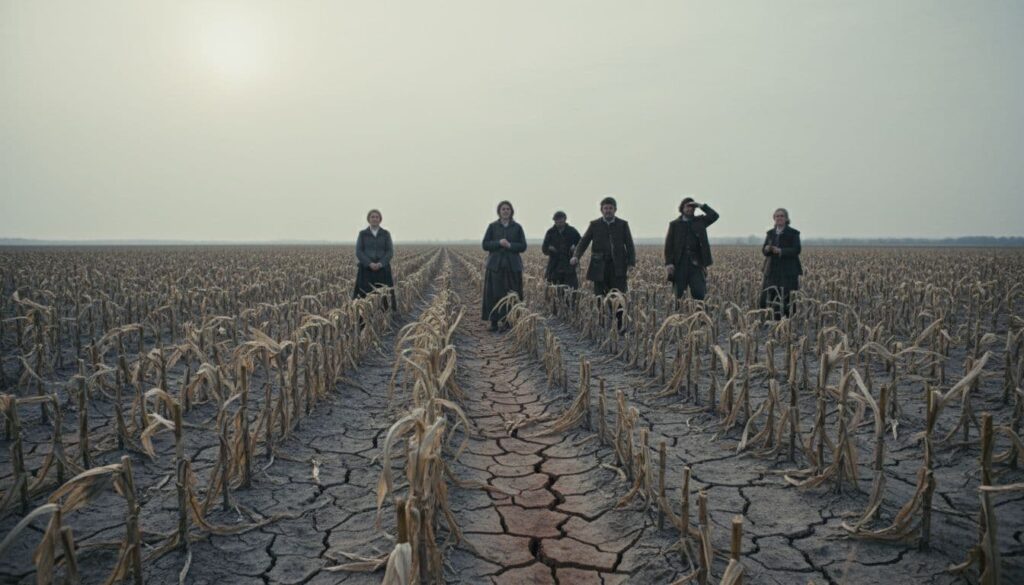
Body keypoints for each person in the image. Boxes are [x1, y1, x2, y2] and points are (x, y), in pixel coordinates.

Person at [571, 196, 636, 296]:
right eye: (605, 208)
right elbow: (583, 242)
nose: (608, 211)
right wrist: (576, 256)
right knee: (600, 297)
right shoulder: (594, 225)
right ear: (601, 210)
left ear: (615, 210)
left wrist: (631, 263)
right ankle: (602, 312)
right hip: (599, 267)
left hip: (618, 267)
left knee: (618, 296)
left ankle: (618, 312)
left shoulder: (622, 225)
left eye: (610, 208)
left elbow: (630, 245)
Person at [481, 201, 527, 331]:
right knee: (494, 294)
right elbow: (485, 244)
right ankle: (494, 321)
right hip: (496, 266)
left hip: (512, 266)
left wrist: (510, 246)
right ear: (499, 212)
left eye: (508, 209)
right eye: (503, 209)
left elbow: (523, 246)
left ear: (511, 211)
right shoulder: (492, 227)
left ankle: (509, 321)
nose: (505, 211)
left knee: (511, 294)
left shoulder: (517, 227)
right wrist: (498, 243)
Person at [664, 197, 719, 302]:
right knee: (678, 297)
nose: (690, 209)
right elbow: (669, 245)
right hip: (679, 265)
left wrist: (701, 205)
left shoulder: (700, 221)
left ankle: (699, 317)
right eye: (687, 207)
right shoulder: (674, 224)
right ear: (682, 208)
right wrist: (669, 263)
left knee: (699, 295)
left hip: (697, 264)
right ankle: (678, 317)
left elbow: (714, 216)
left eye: (693, 207)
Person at [759, 208, 802, 319]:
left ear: (786, 219)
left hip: (788, 271)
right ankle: (769, 320)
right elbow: (764, 251)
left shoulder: (793, 233)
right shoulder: (770, 233)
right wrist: (767, 249)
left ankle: (787, 322)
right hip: (771, 270)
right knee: (768, 296)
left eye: (782, 216)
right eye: (777, 216)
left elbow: (797, 250)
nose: (779, 218)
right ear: (774, 218)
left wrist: (781, 251)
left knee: (787, 297)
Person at [353, 209, 395, 308]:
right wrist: (369, 263)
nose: (375, 219)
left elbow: (390, 251)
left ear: (380, 219)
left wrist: (381, 263)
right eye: (372, 217)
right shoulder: (362, 234)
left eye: (377, 217)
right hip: (366, 270)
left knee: (384, 295)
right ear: (368, 219)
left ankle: (384, 318)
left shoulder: (385, 234)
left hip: (383, 270)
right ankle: (364, 319)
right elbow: (359, 251)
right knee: (364, 296)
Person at [542, 211, 581, 289]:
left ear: (565, 220)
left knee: (571, 291)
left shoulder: (572, 231)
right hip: (554, 267)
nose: (559, 222)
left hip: (569, 266)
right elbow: (544, 249)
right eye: (557, 221)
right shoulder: (550, 232)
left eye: (561, 220)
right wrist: (550, 249)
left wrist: (575, 247)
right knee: (553, 291)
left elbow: (581, 244)